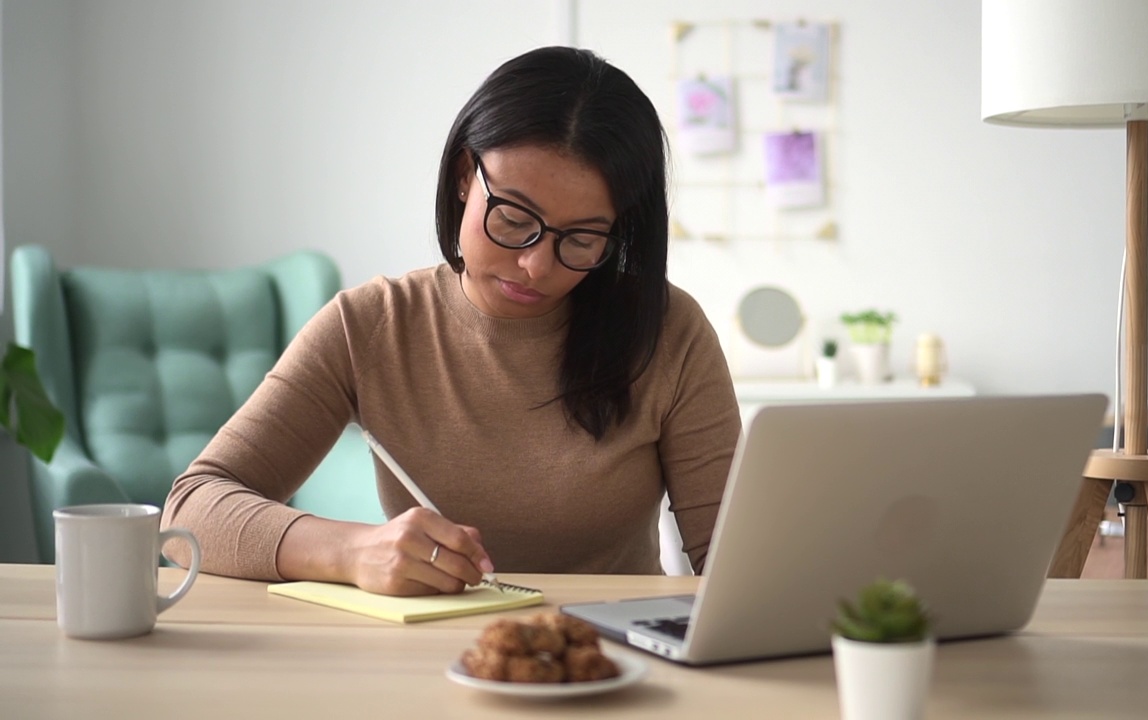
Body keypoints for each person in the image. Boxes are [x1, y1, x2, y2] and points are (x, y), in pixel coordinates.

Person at [160, 46, 742, 597]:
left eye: (583, 239)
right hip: (424, 659)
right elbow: (191, 509)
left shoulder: (668, 332)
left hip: (612, 659)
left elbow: (734, 557)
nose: (536, 265)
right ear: (466, 175)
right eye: (515, 218)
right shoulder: (370, 325)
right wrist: (353, 551)